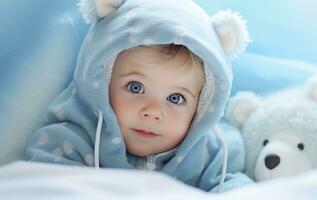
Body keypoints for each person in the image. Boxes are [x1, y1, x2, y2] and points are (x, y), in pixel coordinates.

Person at [26, 0, 252, 192]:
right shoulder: (69, 142)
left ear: (201, 109)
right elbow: (47, 187)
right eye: (135, 88)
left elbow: (240, 187)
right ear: (99, 86)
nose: (153, 112)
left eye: (175, 98)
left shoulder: (209, 156)